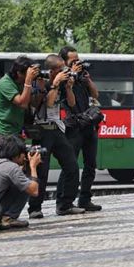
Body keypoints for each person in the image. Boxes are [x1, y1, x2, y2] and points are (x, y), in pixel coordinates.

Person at [27, 55, 83, 218]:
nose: (64, 72)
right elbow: (49, 103)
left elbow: (72, 104)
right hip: (42, 129)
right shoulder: (40, 82)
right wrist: (55, 84)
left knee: (71, 165)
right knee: (42, 170)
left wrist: (68, 88)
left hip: (57, 129)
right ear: (52, 71)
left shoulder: (62, 82)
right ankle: (35, 208)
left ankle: (65, 205)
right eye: (60, 69)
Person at [58, 46, 102, 212]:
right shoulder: (62, 78)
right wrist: (72, 76)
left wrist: (87, 79)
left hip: (89, 124)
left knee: (91, 164)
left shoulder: (82, 76)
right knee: (70, 165)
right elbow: (69, 102)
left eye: (78, 60)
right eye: (73, 61)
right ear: (65, 63)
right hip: (73, 125)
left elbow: (95, 94)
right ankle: (63, 202)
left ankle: (85, 199)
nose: (77, 63)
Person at [0, 136, 41, 229]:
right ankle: (9, 218)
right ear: (16, 153)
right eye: (23, 153)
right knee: (26, 185)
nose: (25, 156)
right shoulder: (11, 167)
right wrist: (33, 166)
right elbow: (34, 191)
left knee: (20, 182)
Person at [0, 56, 40, 152]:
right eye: (28, 74)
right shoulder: (5, 83)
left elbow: (35, 103)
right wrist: (28, 81)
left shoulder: (23, 83)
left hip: (16, 130)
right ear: (19, 73)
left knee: (18, 162)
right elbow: (22, 103)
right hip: (2, 131)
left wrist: (41, 85)